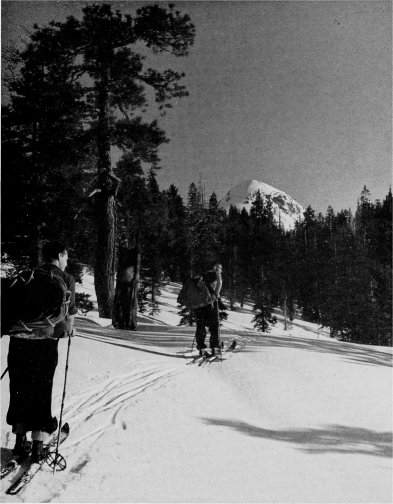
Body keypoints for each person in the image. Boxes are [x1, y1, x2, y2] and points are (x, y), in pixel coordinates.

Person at [6, 241, 77, 463]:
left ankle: (19, 441)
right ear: (59, 255)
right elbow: (67, 325)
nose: (66, 261)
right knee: (41, 390)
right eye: (66, 256)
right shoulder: (66, 279)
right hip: (45, 343)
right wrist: (68, 331)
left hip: (18, 339)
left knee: (18, 387)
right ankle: (37, 444)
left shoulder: (27, 275)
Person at [194, 262, 223, 356]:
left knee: (201, 326)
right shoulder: (217, 275)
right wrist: (216, 295)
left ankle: (201, 348)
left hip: (200, 304)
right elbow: (219, 284)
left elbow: (198, 286)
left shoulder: (203, 275)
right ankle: (215, 348)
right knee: (214, 326)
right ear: (218, 269)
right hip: (211, 304)